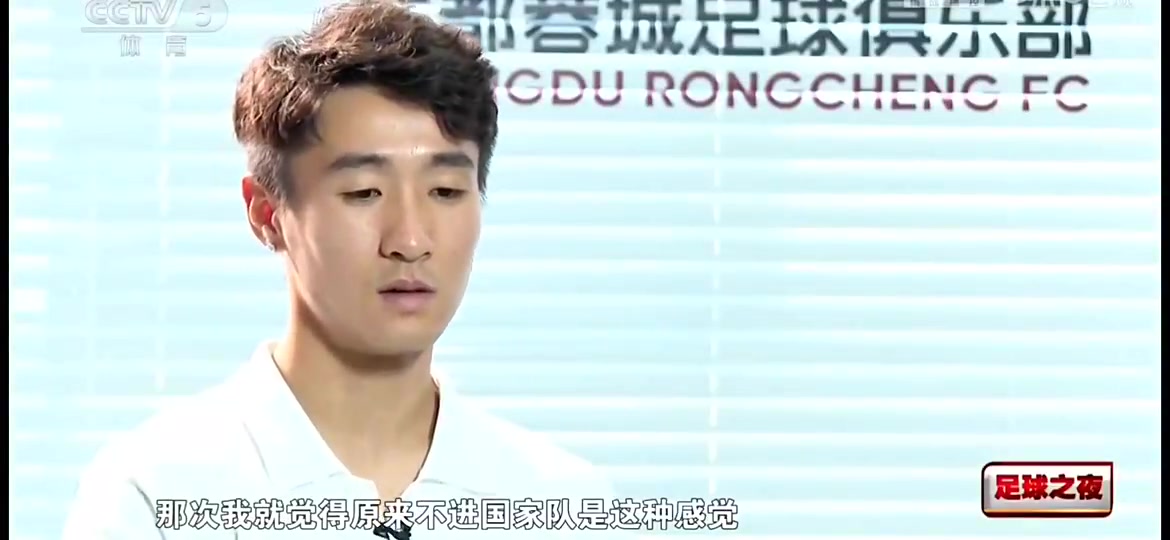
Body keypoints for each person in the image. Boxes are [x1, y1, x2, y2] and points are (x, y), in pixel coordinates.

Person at [62, 1, 617, 537]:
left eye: (446, 191)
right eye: (364, 192)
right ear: (267, 215)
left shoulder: (562, 502)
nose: (410, 241)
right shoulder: (154, 495)